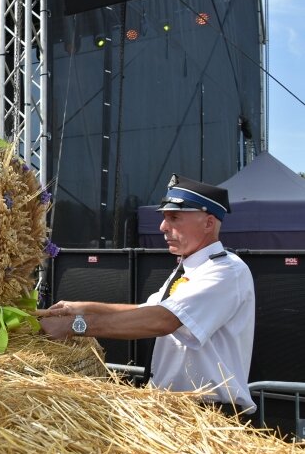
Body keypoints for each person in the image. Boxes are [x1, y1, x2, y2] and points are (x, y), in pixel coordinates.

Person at [36, 174, 256, 415]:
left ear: (208, 223)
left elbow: (162, 321)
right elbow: (147, 310)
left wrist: (73, 326)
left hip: (210, 413)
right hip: (178, 410)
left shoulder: (225, 271)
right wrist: (80, 307)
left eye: (174, 218)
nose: (163, 227)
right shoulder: (190, 269)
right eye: (164, 218)